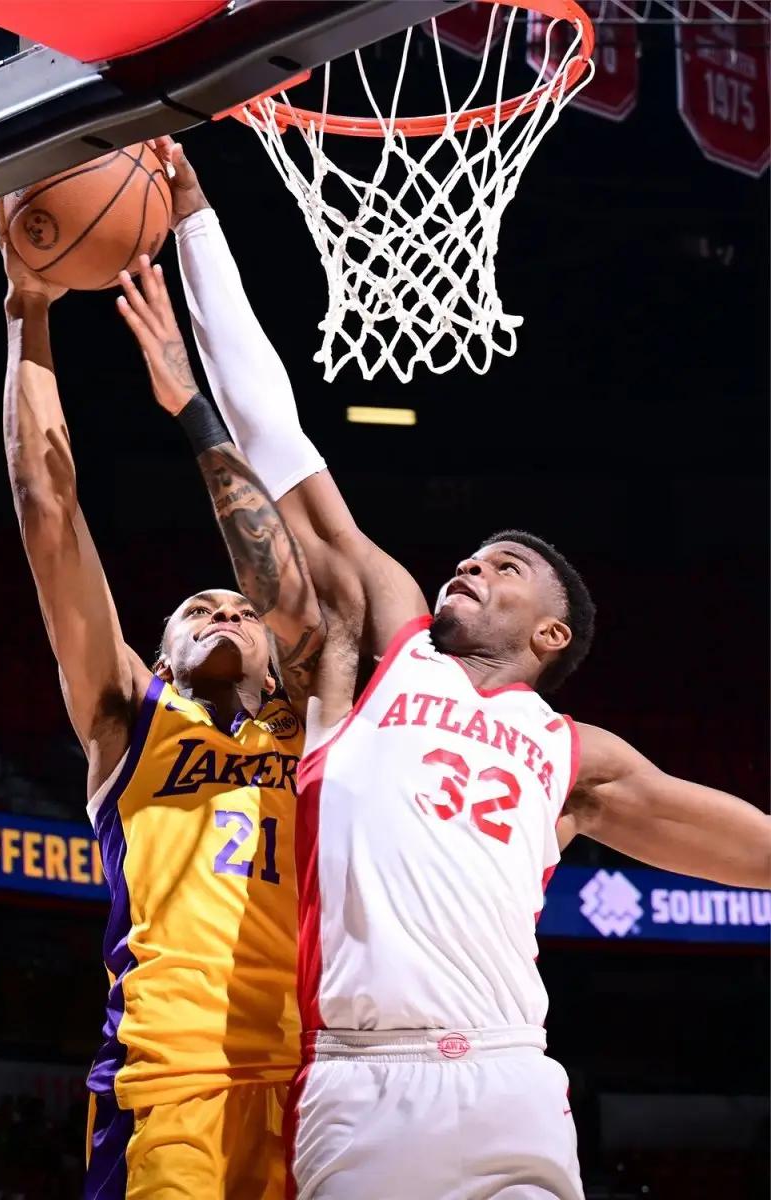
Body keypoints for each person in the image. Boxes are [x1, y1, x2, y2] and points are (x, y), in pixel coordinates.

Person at [142, 140, 771, 1200]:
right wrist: (198, 223)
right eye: (472, 556)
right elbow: (278, 439)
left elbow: (752, 849)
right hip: (360, 1083)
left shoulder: (576, 756)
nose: (472, 564)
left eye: (505, 565)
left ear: (552, 636)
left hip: (507, 1077)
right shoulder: (389, 651)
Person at [0, 200, 324, 1200]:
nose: (223, 610)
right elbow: (48, 513)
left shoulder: (316, 721)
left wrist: (194, 406)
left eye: (239, 607)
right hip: (166, 1086)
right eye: (197, 609)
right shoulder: (129, 718)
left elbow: (291, 586)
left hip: (320, 1091)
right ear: (160, 651)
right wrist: (27, 311)